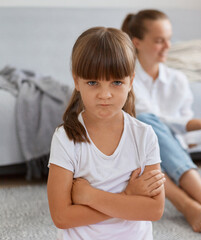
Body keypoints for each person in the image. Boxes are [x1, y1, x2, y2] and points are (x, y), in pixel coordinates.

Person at [121, 9, 201, 240]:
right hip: (139, 151)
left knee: (155, 139)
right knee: (145, 125)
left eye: (169, 39)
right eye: (159, 41)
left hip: (172, 156)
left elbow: (185, 140)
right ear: (137, 42)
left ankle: (193, 203)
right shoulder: (125, 78)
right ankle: (198, 203)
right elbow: (153, 121)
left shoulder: (178, 80)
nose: (168, 45)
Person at [47, 27, 166, 240]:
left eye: (116, 82)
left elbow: (154, 210)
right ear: (76, 81)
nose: (105, 94)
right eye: (93, 83)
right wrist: (128, 197)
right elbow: (61, 216)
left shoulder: (144, 135)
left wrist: (90, 196)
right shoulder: (65, 137)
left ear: (131, 81)